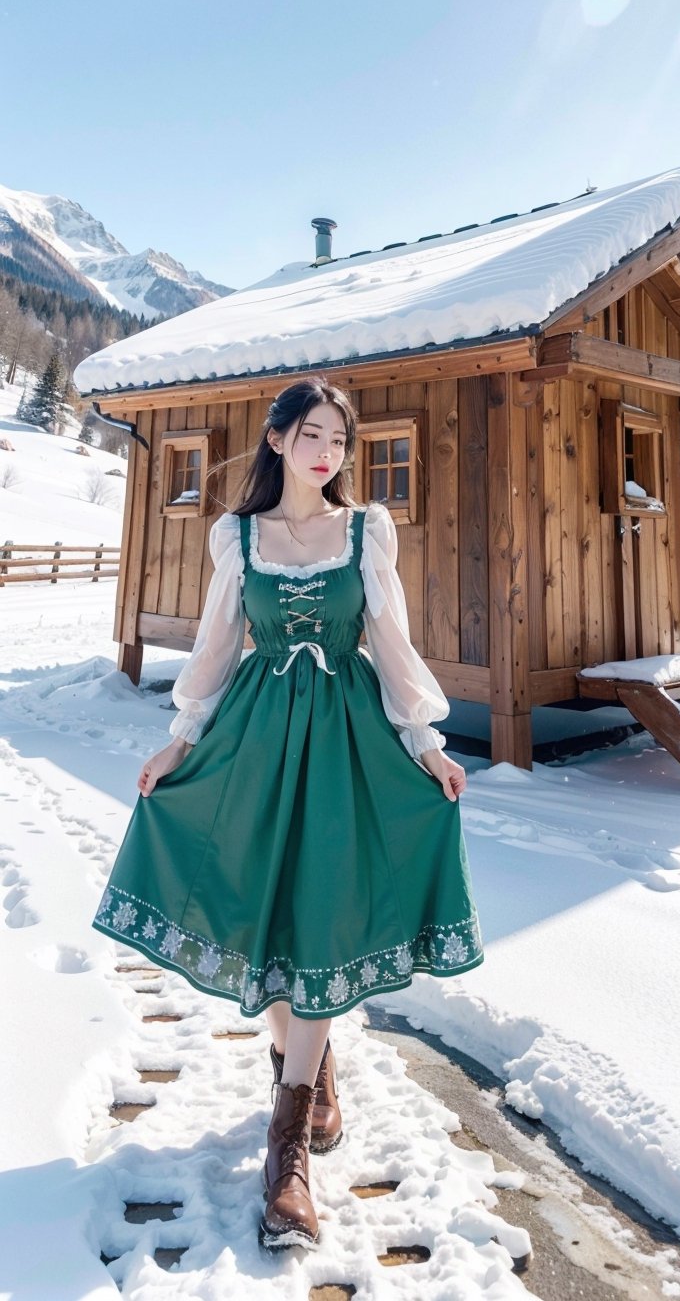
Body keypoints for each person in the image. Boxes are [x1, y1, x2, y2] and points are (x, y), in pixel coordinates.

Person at [92, 375, 483, 1251]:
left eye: (339, 441)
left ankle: (288, 1151)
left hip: (347, 745)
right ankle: (308, 1066)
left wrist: (425, 743)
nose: (327, 452)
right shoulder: (238, 538)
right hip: (254, 743)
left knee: (321, 913)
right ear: (278, 440)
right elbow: (216, 647)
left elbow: (390, 643)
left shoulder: (364, 533)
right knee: (263, 914)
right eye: (312, 434)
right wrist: (179, 744)